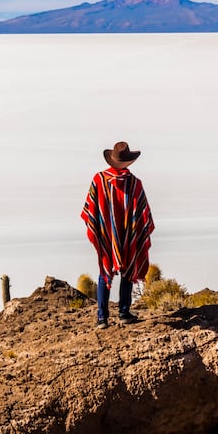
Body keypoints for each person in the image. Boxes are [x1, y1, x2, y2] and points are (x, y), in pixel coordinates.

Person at [81, 141, 155, 329]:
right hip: (128, 234)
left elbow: (90, 209)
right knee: (128, 271)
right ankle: (123, 313)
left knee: (104, 271)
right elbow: (143, 215)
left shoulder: (99, 180)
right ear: (129, 162)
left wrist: (102, 228)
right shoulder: (135, 184)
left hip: (106, 235)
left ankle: (102, 318)